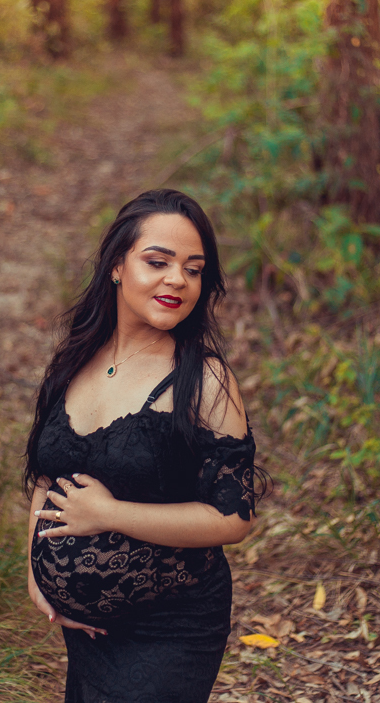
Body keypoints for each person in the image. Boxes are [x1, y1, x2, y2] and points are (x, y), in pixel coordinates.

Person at [24, 189, 265, 703]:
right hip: (87, 633)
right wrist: (35, 573)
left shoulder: (204, 381)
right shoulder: (75, 359)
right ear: (116, 265)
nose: (178, 280)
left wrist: (110, 515)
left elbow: (234, 519)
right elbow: (49, 477)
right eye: (158, 262)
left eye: (194, 269)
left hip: (171, 627)